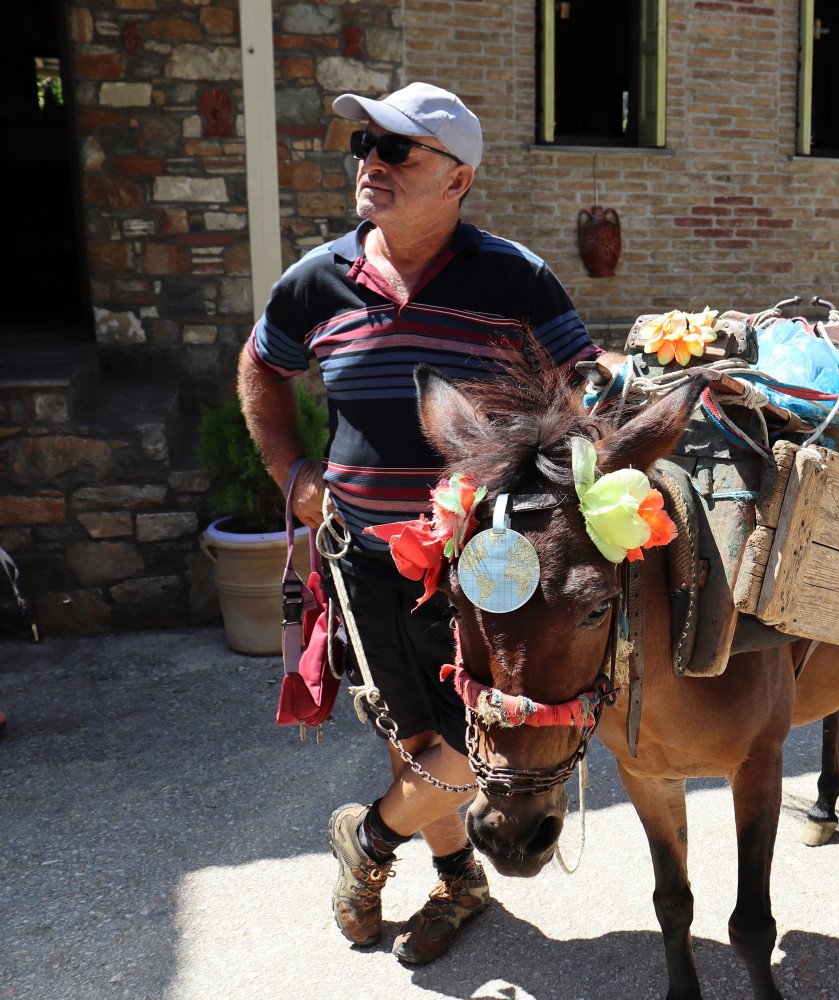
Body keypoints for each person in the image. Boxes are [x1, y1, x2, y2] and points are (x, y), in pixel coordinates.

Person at [238, 82, 604, 965]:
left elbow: (583, 385)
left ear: (458, 178)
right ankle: (462, 881)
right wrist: (294, 477)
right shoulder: (316, 280)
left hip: (487, 572)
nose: (371, 161)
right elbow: (260, 373)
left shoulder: (510, 275)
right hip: (362, 560)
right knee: (416, 737)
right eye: (366, 143)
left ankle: (366, 841)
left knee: (471, 752)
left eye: (397, 150)